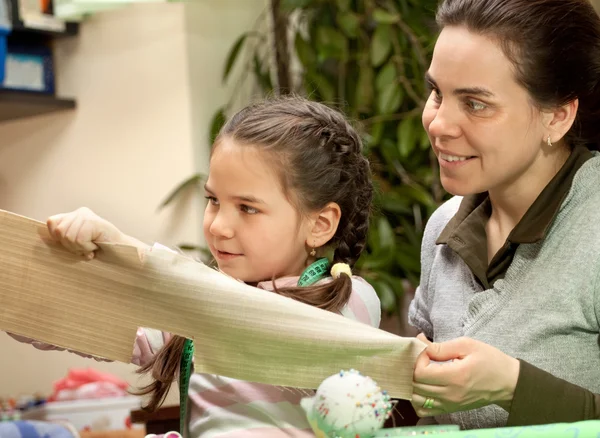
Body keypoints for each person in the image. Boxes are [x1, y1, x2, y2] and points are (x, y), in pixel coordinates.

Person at [11, 96, 381, 437]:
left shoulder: (349, 300)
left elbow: (261, 325)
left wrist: (132, 253)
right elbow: (91, 322)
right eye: (213, 200)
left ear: (319, 224)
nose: (219, 225)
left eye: (247, 208)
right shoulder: (194, 302)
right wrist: (25, 283)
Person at [407, 0, 600, 430]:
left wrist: (513, 388)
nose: (438, 123)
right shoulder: (442, 227)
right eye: (438, 92)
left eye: (475, 104)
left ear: (557, 116)